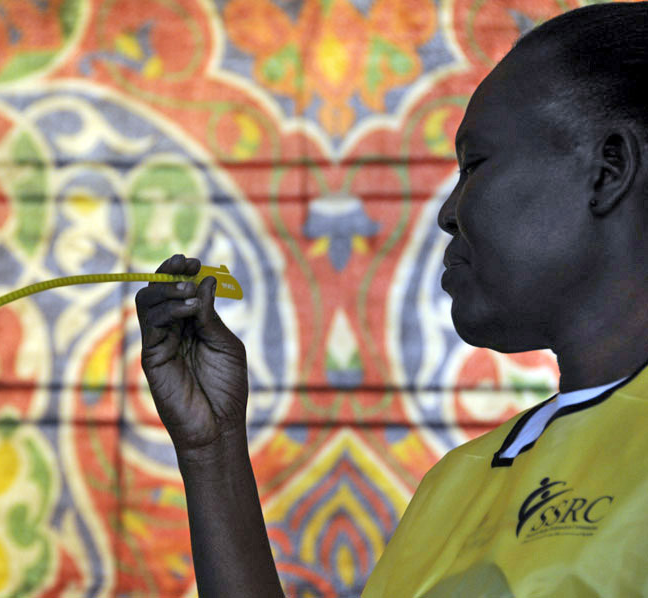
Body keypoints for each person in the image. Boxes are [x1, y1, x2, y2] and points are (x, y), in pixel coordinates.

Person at [134, 3, 648, 596]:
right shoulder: (455, 484)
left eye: (476, 164)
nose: (447, 213)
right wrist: (213, 450)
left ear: (609, 170)